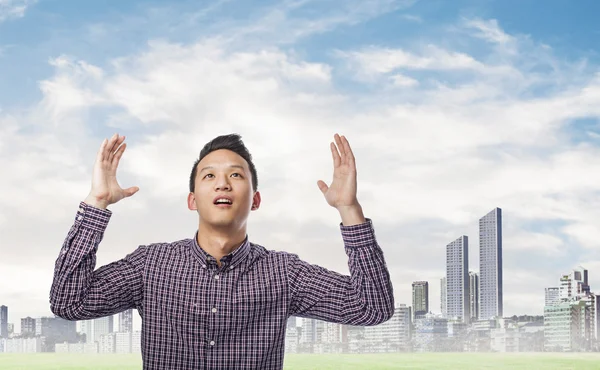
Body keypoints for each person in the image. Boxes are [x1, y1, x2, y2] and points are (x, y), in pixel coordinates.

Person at [50, 132, 394, 369]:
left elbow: (371, 308)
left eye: (236, 175)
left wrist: (349, 209)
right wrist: (97, 203)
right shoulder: (150, 265)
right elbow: (69, 302)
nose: (222, 183)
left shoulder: (284, 273)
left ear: (255, 200)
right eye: (209, 175)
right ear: (192, 199)